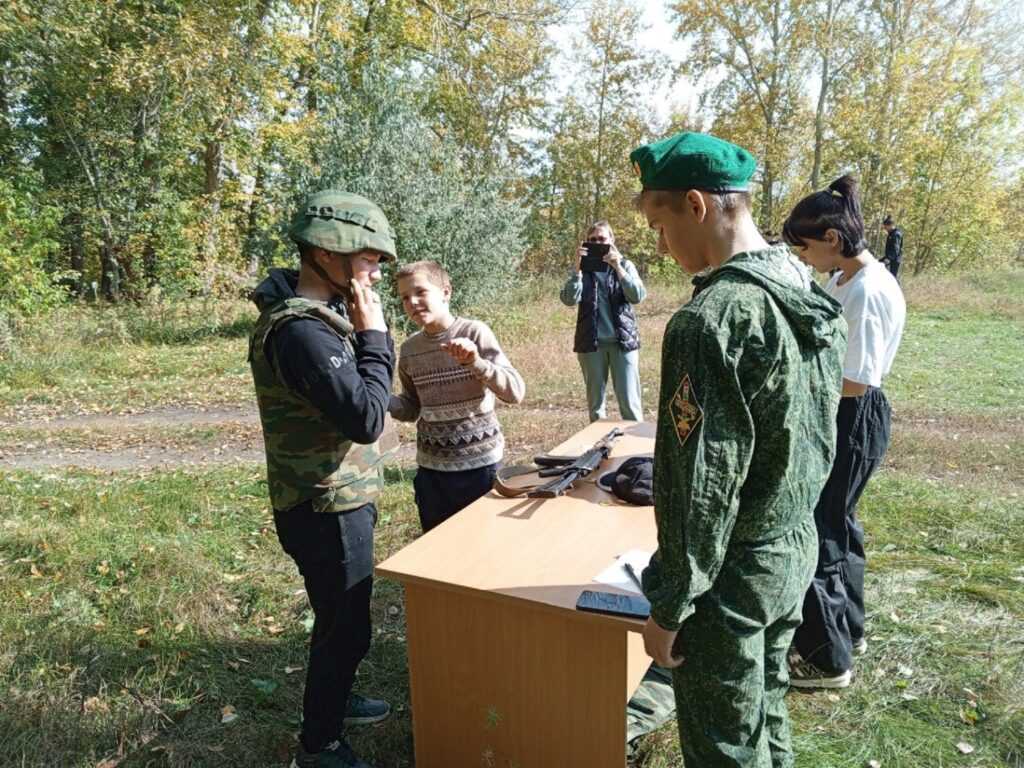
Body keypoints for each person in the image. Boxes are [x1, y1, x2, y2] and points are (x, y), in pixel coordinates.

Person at [630, 131, 846, 768]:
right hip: (793, 542)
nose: (660, 246)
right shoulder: (803, 288)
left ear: (696, 205)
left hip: (733, 573)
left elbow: (701, 484)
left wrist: (670, 604)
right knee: (766, 707)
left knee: (725, 743)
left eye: (659, 224)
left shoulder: (713, 320)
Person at [248, 190, 398, 768]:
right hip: (324, 506)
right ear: (325, 255)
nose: (375, 270)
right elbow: (365, 416)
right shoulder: (301, 332)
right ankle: (321, 741)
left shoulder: (314, 316)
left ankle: (337, 697)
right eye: (367, 257)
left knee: (342, 618)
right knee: (345, 626)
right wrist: (376, 337)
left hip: (331, 498)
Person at [783, 176, 907, 689]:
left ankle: (826, 659)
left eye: (805, 248)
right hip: (845, 414)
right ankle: (848, 630)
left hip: (853, 418)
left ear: (832, 239)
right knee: (840, 522)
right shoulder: (843, 278)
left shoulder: (869, 291)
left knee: (822, 530)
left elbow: (855, 380)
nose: (805, 258)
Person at [388, 260, 525, 532]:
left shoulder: (474, 332)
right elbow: (412, 407)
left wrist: (476, 363)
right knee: (439, 552)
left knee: (485, 552)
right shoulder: (410, 349)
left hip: (481, 470)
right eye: (405, 297)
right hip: (432, 475)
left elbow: (515, 391)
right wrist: (381, 399)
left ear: (446, 292)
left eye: (420, 292)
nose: (412, 302)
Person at [560, 221, 646, 422]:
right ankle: (601, 451)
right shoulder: (583, 269)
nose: (597, 242)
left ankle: (636, 450)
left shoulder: (625, 265)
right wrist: (577, 271)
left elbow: (637, 296)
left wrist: (618, 268)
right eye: (592, 240)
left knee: (630, 403)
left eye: (602, 239)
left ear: (611, 241)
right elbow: (569, 300)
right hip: (591, 344)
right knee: (596, 408)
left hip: (622, 343)